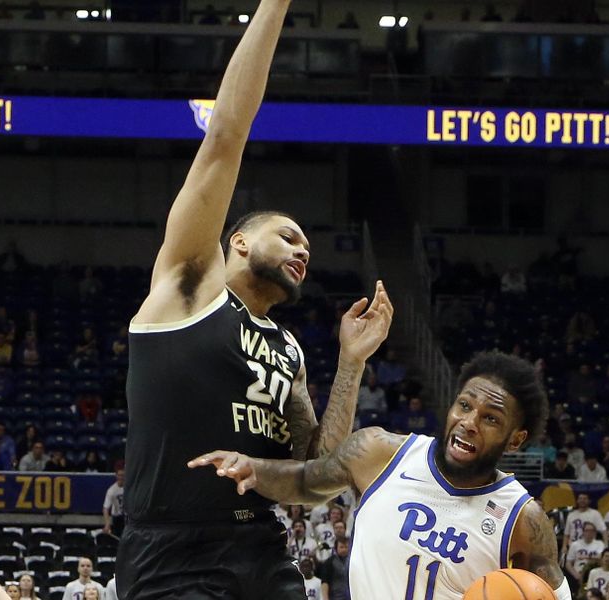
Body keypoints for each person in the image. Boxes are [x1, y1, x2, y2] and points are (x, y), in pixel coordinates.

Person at [117, 1, 393, 598]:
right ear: (237, 242)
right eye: (288, 236)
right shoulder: (189, 285)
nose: (302, 252)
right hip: (172, 549)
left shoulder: (287, 348)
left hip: (260, 547)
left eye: (308, 247)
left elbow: (318, 478)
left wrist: (351, 363)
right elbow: (225, 135)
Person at [190, 352, 572, 600]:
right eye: (465, 405)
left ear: (516, 439)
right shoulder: (380, 452)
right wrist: (251, 467)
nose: (469, 423)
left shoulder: (523, 519)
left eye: (491, 419)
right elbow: (306, 481)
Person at [103, 469, 125, 537]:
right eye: (119, 475)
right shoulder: (111, 490)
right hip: (117, 517)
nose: (121, 477)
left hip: (127, 517)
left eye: (123, 475)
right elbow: (105, 508)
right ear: (116, 476)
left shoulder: (129, 488)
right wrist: (107, 524)